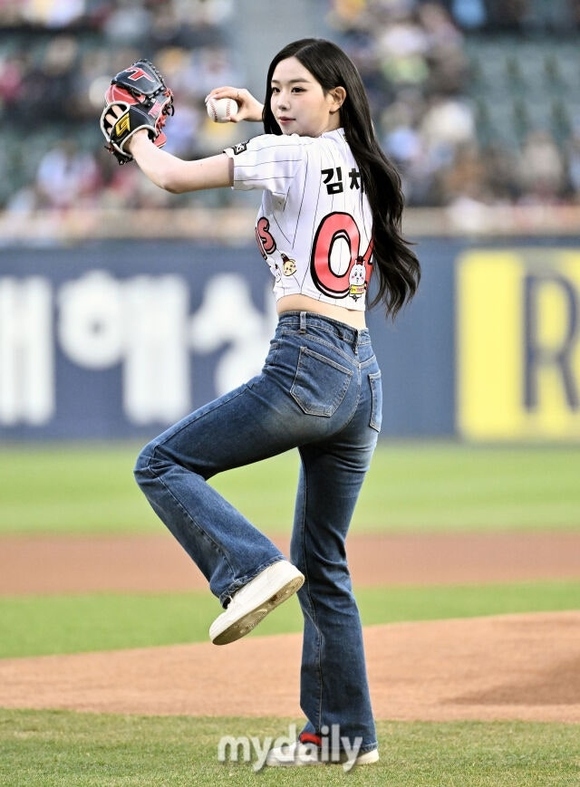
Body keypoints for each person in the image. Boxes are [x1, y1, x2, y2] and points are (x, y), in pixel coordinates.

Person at [106, 38, 420, 768]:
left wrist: (135, 135)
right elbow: (299, 149)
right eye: (276, 88)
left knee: (161, 464)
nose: (281, 100)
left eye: (297, 89)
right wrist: (262, 115)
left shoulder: (289, 154)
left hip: (307, 361)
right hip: (361, 377)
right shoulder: (358, 158)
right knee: (324, 562)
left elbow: (173, 177)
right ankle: (341, 736)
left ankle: (246, 569)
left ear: (335, 97)